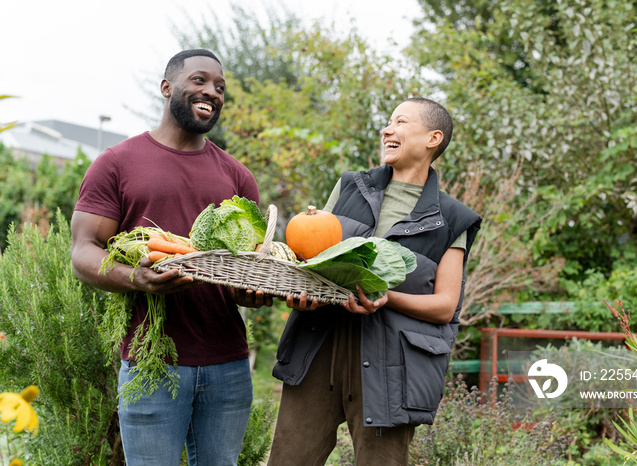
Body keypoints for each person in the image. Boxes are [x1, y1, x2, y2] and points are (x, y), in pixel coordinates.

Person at [71, 49, 271, 465]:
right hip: (151, 362)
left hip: (228, 366)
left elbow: (245, 269)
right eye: (199, 80)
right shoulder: (116, 164)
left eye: (219, 87)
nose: (211, 92)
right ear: (167, 88)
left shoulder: (237, 176)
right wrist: (136, 279)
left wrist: (252, 292)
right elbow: (83, 252)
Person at [267, 97, 482, 465]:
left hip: (392, 365)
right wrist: (303, 293)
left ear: (433, 138)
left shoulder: (452, 217)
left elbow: (445, 306)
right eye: (388, 122)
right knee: (289, 459)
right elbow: (316, 258)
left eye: (400, 122)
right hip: (319, 345)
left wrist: (386, 297)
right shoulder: (350, 187)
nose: (387, 129)